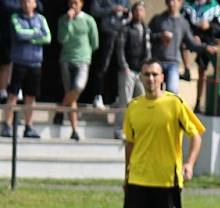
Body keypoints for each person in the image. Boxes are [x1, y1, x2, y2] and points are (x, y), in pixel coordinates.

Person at [108, 58, 204, 208]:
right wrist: (126, 175)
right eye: (146, 74)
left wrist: (189, 164)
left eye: (154, 74)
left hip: (166, 179)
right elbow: (130, 143)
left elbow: (196, 135)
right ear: (140, 77)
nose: (150, 79)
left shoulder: (174, 103)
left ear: (162, 77)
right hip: (139, 177)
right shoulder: (134, 106)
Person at [1, 0, 50, 140]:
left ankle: (29, 126)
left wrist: (31, 37)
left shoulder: (41, 19)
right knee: (13, 95)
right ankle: (7, 124)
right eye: (23, 2)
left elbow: (47, 37)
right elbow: (19, 34)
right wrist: (36, 33)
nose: (25, 4)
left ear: (34, 4)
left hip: (35, 63)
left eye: (28, 1)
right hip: (19, 62)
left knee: (31, 96)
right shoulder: (15, 17)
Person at [55, 0, 98, 142]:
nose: (73, 5)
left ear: (82, 4)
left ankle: (60, 108)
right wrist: (68, 21)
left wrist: (85, 53)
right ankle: (74, 130)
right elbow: (62, 38)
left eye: (76, 2)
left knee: (78, 87)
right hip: (66, 59)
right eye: (71, 2)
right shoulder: (63, 19)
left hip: (83, 59)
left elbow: (94, 41)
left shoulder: (88, 20)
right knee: (70, 93)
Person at [149, 0, 211, 94]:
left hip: (173, 63)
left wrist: (205, 47)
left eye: (174, 1)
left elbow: (191, 44)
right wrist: (160, 36)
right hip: (157, 62)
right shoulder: (157, 19)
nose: (171, 3)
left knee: (173, 92)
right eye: (169, 1)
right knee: (154, 93)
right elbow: (147, 36)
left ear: (180, 3)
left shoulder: (183, 23)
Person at [114, 0, 149, 139]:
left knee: (142, 100)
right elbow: (120, 49)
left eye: (141, 10)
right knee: (125, 101)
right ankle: (120, 129)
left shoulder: (146, 29)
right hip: (127, 70)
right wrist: (124, 66)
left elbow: (148, 51)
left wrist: (145, 69)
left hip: (140, 71)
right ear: (132, 12)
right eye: (136, 10)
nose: (138, 13)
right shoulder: (125, 28)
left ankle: (139, 129)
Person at [182, 0, 220, 112]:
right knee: (184, 46)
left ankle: (209, 103)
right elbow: (183, 23)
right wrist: (191, 36)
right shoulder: (189, 4)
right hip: (193, 40)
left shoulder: (214, 5)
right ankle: (186, 70)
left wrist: (209, 26)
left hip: (210, 42)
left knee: (212, 73)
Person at [89, 0, 129, 110]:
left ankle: (117, 97)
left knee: (119, 66)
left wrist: (126, 12)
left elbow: (129, 14)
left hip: (122, 34)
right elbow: (94, 11)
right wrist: (112, 9)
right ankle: (98, 96)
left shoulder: (125, 1)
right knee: (103, 66)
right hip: (106, 34)